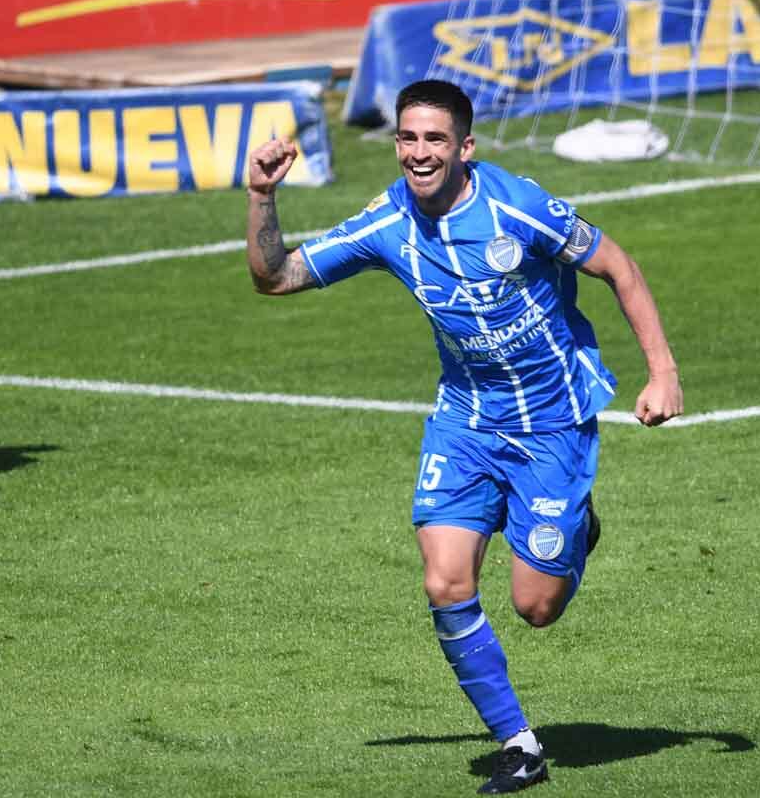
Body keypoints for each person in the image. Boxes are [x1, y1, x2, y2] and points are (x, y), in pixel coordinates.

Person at [245, 79, 682, 793]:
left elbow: (618, 267)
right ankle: (519, 744)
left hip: (551, 423)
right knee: (445, 580)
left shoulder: (519, 206)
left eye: (435, 140)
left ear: (465, 148)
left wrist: (662, 373)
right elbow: (277, 276)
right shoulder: (387, 222)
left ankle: (577, 527)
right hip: (466, 422)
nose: (419, 154)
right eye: (408, 139)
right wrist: (262, 196)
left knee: (536, 609)